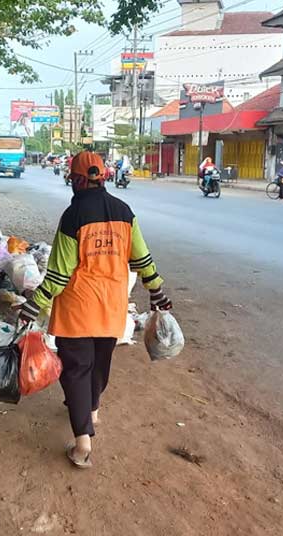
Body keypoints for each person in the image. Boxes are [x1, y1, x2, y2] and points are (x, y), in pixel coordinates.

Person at [19, 150, 172, 469]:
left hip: (77, 308)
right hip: (112, 307)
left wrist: (36, 303)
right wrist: (156, 291)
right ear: (102, 177)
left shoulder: (73, 216)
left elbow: (60, 273)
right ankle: (92, 412)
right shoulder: (124, 211)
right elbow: (142, 258)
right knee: (100, 364)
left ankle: (82, 445)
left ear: (76, 179)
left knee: (76, 371)